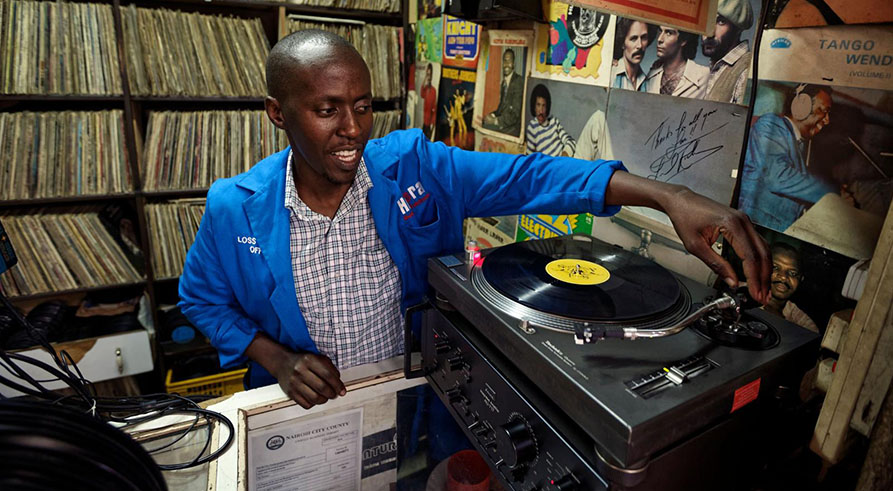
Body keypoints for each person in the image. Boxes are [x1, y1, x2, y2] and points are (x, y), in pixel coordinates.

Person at [179, 29, 771, 411]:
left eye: (362, 107)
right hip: (297, 410)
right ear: (277, 114)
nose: (353, 130)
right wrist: (275, 358)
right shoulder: (235, 206)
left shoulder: (413, 165)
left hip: (416, 398)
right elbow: (202, 302)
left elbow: (529, 178)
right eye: (326, 111)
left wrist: (667, 195)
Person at [738, 84, 837, 231]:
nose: (827, 120)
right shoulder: (770, 125)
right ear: (801, 107)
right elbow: (778, 177)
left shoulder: (800, 145)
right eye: (823, 111)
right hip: (751, 223)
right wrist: (831, 193)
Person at [702, 0, 754, 104]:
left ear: (738, 29)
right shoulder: (712, 66)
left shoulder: (746, 71)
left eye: (720, 21)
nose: (709, 33)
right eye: (706, 21)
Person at [763, 243, 818, 332]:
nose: (784, 277)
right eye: (775, 267)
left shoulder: (804, 324)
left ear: (801, 279)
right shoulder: (736, 291)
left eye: (792, 273)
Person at [644, 26, 709, 98]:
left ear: (683, 40)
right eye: (660, 31)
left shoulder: (703, 75)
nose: (659, 39)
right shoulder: (651, 75)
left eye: (669, 33)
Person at [525, 84, 576, 157]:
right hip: (552, 166)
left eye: (543, 105)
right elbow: (530, 159)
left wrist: (563, 156)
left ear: (547, 107)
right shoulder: (532, 127)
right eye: (538, 105)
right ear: (534, 106)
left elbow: (571, 142)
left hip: (566, 160)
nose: (541, 111)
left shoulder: (554, 122)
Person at [482, 48, 523, 136]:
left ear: (514, 64)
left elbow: (515, 115)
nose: (506, 65)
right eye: (504, 61)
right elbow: (501, 108)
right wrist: (492, 115)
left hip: (513, 127)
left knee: (485, 128)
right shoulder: (504, 83)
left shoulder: (518, 81)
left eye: (509, 61)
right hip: (504, 123)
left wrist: (496, 121)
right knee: (483, 122)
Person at [611, 18, 656, 92]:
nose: (640, 45)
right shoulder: (611, 74)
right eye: (633, 39)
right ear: (622, 43)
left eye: (644, 38)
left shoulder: (649, 84)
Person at [420, 63, 437, 141]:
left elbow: (434, 107)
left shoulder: (433, 90)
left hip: (429, 122)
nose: (429, 76)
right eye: (427, 74)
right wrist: (425, 78)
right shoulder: (426, 88)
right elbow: (421, 94)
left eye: (430, 74)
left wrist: (433, 123)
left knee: (428, 141)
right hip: (424, 120)